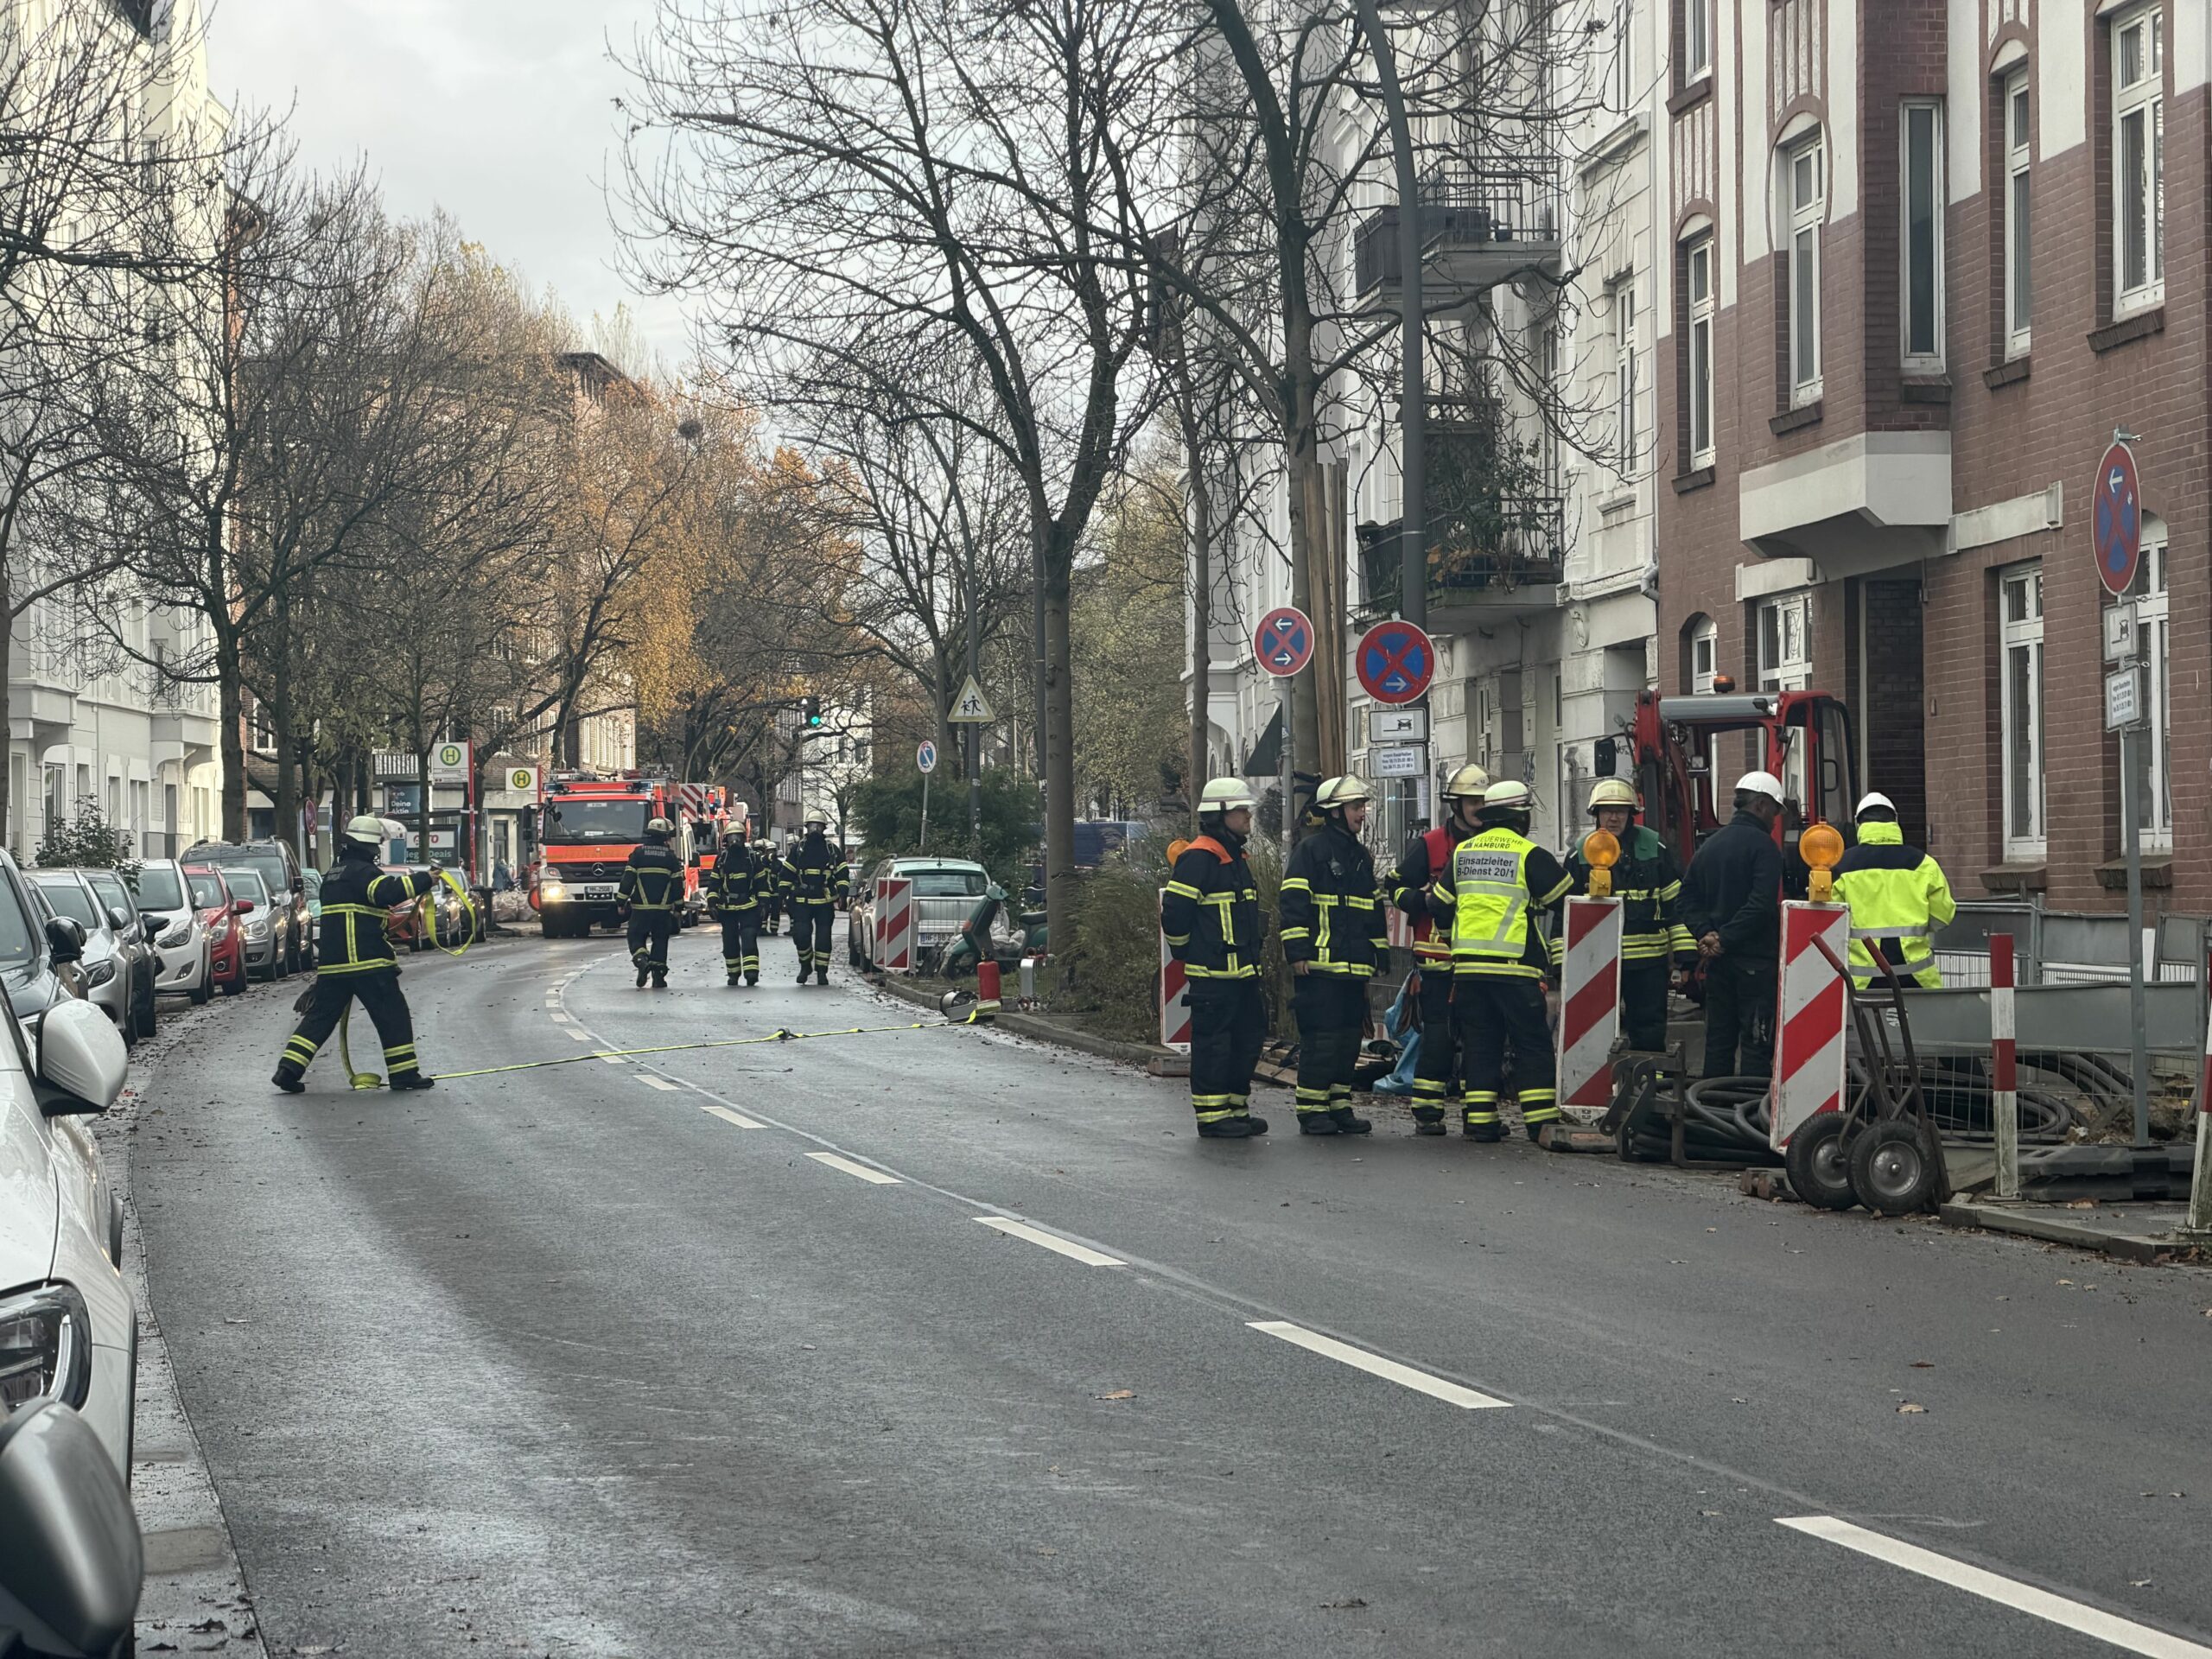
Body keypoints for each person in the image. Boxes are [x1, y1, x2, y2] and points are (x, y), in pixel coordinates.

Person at [1432, 780, 1573, 1141]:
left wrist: (1453, 940)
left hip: (1468, 972)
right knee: (1532, 1044)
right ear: (1520, 816)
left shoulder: (1463, 853)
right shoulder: (1529, 854)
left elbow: (1438, 905)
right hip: (1514, 969)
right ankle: (1540, 1123)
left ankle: (1480, 1121)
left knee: (1481, 1044)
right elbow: (1567, 900)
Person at [271, 815, 443, 1093]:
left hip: (332, 967)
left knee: (320, 1018)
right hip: (368, 962)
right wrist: (426, 879)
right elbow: (388, 892)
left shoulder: (332, 876)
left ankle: (288, 1070)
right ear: (370, 848)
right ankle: (404, 1073)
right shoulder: (364, 873)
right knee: (392, 1014)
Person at [1553, 778, 1697, 1053]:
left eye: (1621, 810)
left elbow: (1675, 904)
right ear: (1596, 814)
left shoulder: (1654, 847)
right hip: (1596, 962)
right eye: (1607, 810)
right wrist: (1562, 965)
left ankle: (1648, 1082)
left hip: (1647, 963)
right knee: (1592, 1030)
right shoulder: (1580, 854)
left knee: (1650, 1028)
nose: (1614, 817)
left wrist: (1685, 958)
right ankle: (1599, 1087)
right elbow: (1565, 913)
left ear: (1632, 814)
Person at [1279, 775, 1388, 1136]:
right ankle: (1312, 1110)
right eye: (1356, 807)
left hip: (1353, 969)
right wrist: (1297, 951)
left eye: (1362, 807)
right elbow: (1293, 904)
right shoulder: (1311, 851)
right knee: (1322, 1041)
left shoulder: (1359, 856)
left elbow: (1371, 910)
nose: (1362, 813)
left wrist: (1380, 951)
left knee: (1346, 1042)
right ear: (1336, 812)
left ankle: (1339, 1106)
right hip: (1319, 968)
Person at [1387, 763, 1491, 1135]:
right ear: (1456, 805)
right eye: (1472, 801)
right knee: (1438, 1038)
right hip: (1437, 962)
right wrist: (1421, 899)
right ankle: (1428, 1113)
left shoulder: (1495, 844)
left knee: (1480, 1038)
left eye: (1483, 800)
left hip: (1480, 961)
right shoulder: (1429, 845)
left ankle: (1477, 1114)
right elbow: (1395, 889)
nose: (1479, 807)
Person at [1161, 778, 1268, 1140]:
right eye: (1241, 811)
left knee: (1247, 1040)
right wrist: (1186, 951)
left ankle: (1236, 1109)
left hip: (1243, 974)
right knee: (1214, 1046)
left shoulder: (1234, 857)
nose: (1248, 817)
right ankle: (1211, 1116)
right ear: (1220, 815)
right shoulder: (1200, 858)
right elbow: (1174, 914)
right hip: (1213, 976)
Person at [1677, 770, 1786, 1078]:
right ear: (1762, 805)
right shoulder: (1765, 848)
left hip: (1718, 964)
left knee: (1719, 1042)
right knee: (1755, 1041)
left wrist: (1706, 934)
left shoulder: (1710, 846)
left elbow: (1685, 899)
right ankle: (1750, 1116)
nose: (1776, 820)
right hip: (1755, 963)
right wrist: (1725, 938)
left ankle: (1712, 1109)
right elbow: (1761, 904)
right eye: (1775, 811)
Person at [1834, 791, 1955, 990]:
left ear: (1859, 825)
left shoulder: (1841, 866)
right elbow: (1943, 916)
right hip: (1917, 977)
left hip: (1862, 981)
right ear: (1895, 822)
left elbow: (1831, 923)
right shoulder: (1924, 864)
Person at [618, 816, 686, 989]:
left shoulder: (638, 854)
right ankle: (658, 978)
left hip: (640, 909)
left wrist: (621, 900)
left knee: (635, 936)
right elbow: (677, 886)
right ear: (664, 837)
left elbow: (628, 880)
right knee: (660, 941)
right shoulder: (671, 858)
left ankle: (641, 960)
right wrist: (679, 907)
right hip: (662, 911)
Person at [780, 816, 849, 985]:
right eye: (812, 826)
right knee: (802, 935)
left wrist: (843, 894)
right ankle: (805, 966)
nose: (815, 830)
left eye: (818, 827)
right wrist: (782, 895)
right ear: (807, 828)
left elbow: (842, 874)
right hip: (802, 901)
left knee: (823, 938)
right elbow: (787, 873)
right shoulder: (799, 849)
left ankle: (822, 972)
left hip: (824, 901)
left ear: (824, 828)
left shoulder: (832, 849)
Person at [710, 829, 770, 987]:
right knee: (729, 941)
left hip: (749, 906)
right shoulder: (722, 858)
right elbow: (714, 883)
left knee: (749, 937)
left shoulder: (753, 858)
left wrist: (764, 903)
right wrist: (712, 903)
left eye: (737, 837)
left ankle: (751, 973)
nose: (734, 840)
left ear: (744, 838)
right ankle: (733, 974)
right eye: (731, 837)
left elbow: (762, 883)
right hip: (727, 908)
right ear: (726, 839)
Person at [754, 838, 784, 935]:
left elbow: (781, 876)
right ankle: (762, 929)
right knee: (764, 909)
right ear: (766, 851)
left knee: (776, 911)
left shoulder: (779, 863)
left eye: (773, 850)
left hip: (776, 891)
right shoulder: (762, 861)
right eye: (769, 851)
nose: (771, 853)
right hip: (765, 891)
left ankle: (774, 929)